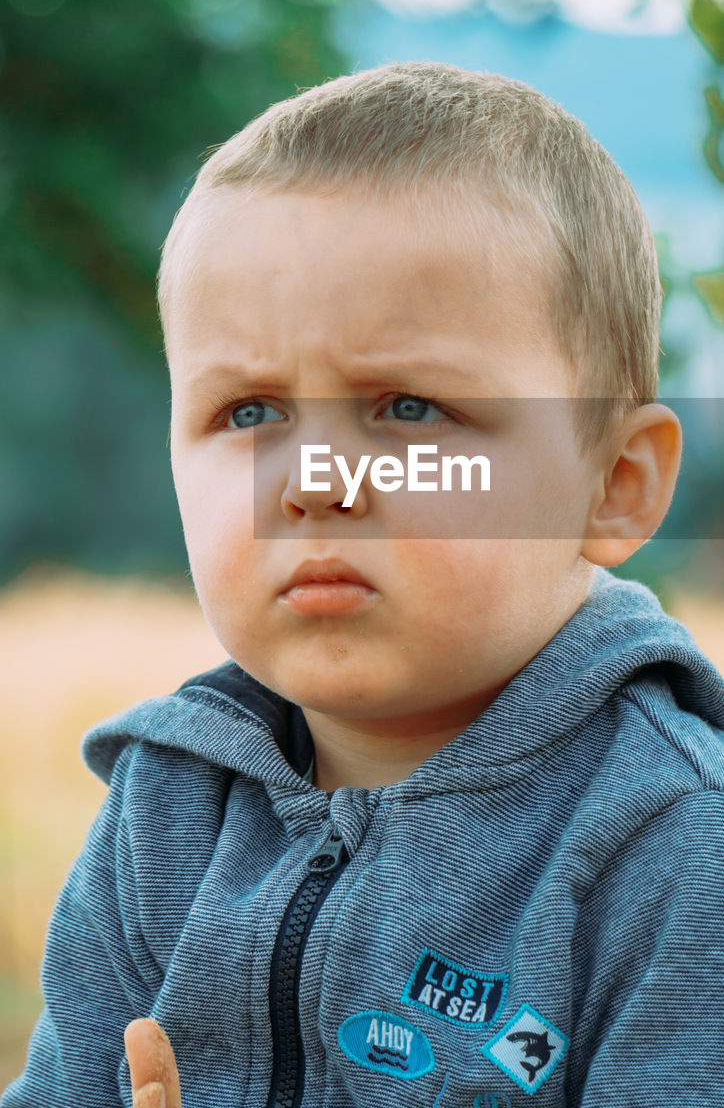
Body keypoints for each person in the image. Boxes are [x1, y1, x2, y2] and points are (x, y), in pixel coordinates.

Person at [4, 61, 723, 1108]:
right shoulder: (164, 816)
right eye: (249, 413)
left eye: (406, 407)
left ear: (612, 484)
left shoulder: (676, 854)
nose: (313, 481)